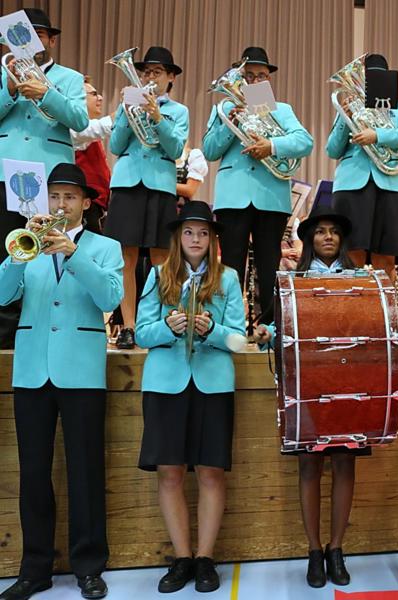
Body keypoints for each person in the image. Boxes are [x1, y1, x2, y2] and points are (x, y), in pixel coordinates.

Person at [0, 164, 121, 600]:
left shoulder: (105, 247)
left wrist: (74, 254)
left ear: (86, 203)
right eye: (54, 196)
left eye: (70, 197)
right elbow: (1, 295)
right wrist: (17, 255)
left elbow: (109, 298)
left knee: (85, 470)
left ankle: (89, 566)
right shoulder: (24, 244)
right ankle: (35, 569)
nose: (61, 204)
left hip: (82, 371)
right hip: (32, 370)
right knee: (33, 473)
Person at [135, 201, 245, 594]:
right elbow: (142, 333)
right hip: (166, 385)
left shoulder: (229, 278)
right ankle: (181, 558)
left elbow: (238, 337)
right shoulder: (157, 275)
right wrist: (167, 327)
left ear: (212, 239)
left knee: (212, 472)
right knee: (170, 472)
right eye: (188, 233)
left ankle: (205, 559)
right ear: (177, 238)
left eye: (202, 233)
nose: (195, 239)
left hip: (212, 384)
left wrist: (212, 329)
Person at [255, 206, 361, 588]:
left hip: (348, 383)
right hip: (306, 383)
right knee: (309, 466)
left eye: (334, 231)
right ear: (309, 240)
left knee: (345, 464)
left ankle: (337, 548)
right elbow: (274, 319)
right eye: (320, 232)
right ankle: (313, 550)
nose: (328, 237)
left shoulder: (359, 278)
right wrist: (268, 330)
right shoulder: (291, 279)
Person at [203, 46, 314, 329]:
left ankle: (270, 328)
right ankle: (226, 327)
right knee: (229, 267)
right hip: (233, 196)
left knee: (269, 267)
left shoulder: (281, 109)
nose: (254, 82)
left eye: (260, 76)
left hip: (271, 197)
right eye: (248, 75)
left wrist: (272, 145)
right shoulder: (224, 108)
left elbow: (305, 141)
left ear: (268, 80)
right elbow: (210, 150)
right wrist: (232, 122)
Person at [0, 7, 89, 349]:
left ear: (51, 40)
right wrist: (9, 88)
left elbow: (80, 119)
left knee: (47, 248)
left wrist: (46, 93)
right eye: (24, 33)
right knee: (8, 248)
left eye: (39, 34)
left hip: (49, 175)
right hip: (6, 170)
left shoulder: (68, 77)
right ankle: (5, 333)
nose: (31, 40)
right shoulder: (2, 71)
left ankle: (43, 324)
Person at [104, 46, 189, 350]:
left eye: (157, 72)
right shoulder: (127, 103)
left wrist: (157, 117)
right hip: (127, 183)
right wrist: (129, 113)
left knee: (160, 259)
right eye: (146, 72)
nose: (150, 76)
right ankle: (127, 325)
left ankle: (156, 322)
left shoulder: (179, 111)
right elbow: (115, 144)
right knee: (125, 259)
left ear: (170, 78)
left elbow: (176, 149)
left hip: (159, 187)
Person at [327, 53, 398, 283]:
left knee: (386, 256)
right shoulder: (350, 107)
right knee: (351, 252)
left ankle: (383, 315)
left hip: (390, 183)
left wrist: (377, 135)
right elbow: (332, 150)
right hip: (353, 185)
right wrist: (344, 118)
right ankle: (352, 310)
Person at [72, 77, 113, 232]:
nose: (100, 97)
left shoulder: (88, 130)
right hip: (85, 201)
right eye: (94, 94)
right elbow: (101, 127)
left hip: (96, 205)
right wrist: (126, 106)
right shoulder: (76, 129)